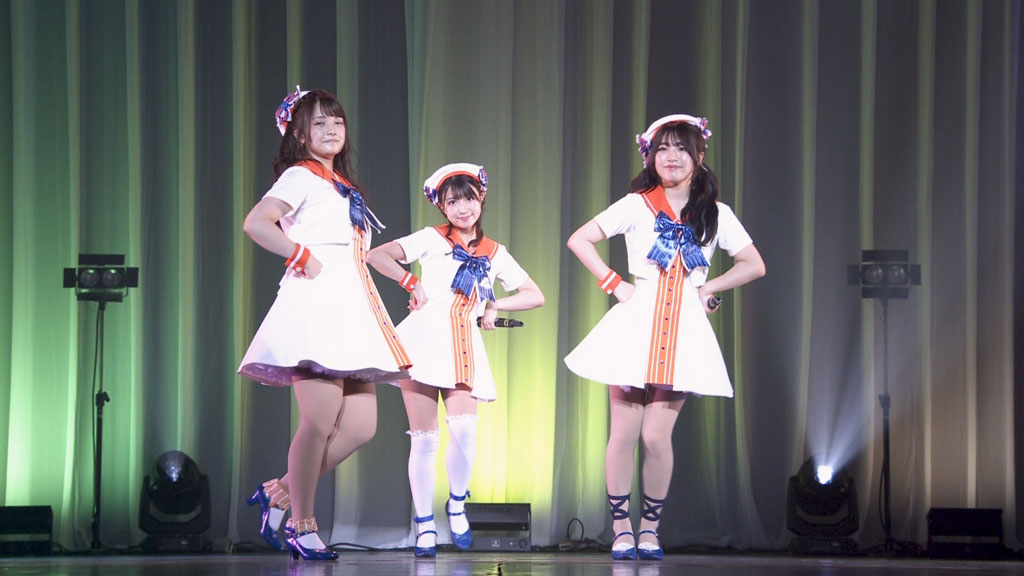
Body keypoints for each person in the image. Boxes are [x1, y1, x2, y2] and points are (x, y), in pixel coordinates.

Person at [564, 114, 766, 561]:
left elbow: (754, 264)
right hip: (636, 325)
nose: (671, 156)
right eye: (662, 148)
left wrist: (708, 288)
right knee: (623, 433)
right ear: (650, 157)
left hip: (684, 333)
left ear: (699, 155)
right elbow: (580, 240)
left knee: (656, 438)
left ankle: (650, 530)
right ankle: (621, 529)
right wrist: (614, 284)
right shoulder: (636, 205)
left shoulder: (715, 213)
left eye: (680, 148)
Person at [238, 86, 411, 561]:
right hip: (317, 305)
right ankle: (303, 525)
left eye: (337, 121)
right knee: (318, 421)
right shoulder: (301, 176)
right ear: (299, 134)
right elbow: (257, 222)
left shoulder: (340, 184)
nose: (332, 129)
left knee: (361, 426)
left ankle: (278, 494)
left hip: (351, 307)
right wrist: (301, 255)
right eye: (319, 123)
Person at [366, 163, 544, 557]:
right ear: (442, 207)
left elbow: (535, 295)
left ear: (481, 199)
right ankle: (425, 526)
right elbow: (377, 255)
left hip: (464, 343)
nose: (462, 208)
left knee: (464, 431)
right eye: (452, 202)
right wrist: (411, 282)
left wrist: (494, 305)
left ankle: (457, 504)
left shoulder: (495, 252)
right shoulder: (431, 238)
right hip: (423, 339)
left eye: (468, 199)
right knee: (425, 439)